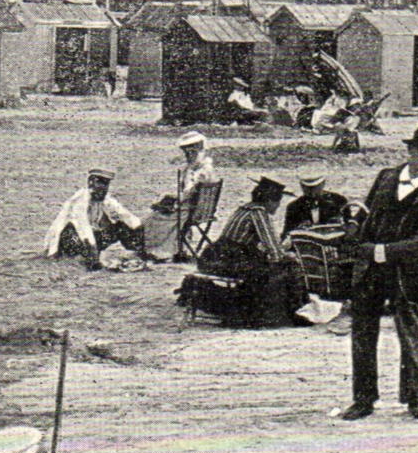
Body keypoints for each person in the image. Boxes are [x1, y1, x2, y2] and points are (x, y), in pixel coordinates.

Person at [340, 123, 418, 421]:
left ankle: (415, 399)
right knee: (363, 332)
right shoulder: (386, 177)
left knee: (409, 332)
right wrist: (355, 226)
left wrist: (379, 252)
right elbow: (366, 211)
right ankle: (363, 399)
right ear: (410, 149)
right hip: (369, 271)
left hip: (406, 273)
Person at [195, 174, 306, 328]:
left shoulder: (245, 208)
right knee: (288, 267)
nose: (277, 206)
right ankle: (281, 313)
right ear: (269, 201)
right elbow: (274, 252)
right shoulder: (259, 213)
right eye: (277, 202)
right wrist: (287, 254)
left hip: (213, 256)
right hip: (229, 260)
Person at [44, 168, 149, 270]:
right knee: (73, 232)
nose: (103, 188)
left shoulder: (105, 199)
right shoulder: (79, 201)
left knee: (121, 226)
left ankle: (139, 255)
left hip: (88, 240)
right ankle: (88, 262)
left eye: (106, 184)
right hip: (66, 241)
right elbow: (84, 230)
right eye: (100, 183)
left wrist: (142, 242)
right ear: (90, 183)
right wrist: (95, 260)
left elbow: (129, 218)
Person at [142, 132, 220, 260]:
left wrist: (172, 201)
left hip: (189, 211)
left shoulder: (200, 172)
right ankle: (172, 247)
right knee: (156, 213)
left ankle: (160, 250)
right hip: (198, 209)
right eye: (187, 153)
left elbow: (187, 193)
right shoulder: (202, 169)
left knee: (154, 218)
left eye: (191, 152)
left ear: (199, 150)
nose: (188, 155)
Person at [283, 174, 349, 236]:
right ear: (301, 186)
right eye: (307, 188)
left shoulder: (338, 201)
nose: (312, 193)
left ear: (323, 184)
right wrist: (298, 229)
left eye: (315, 188)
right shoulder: (294, 207)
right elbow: (286, 234)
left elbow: (350, 229)